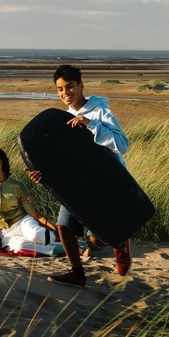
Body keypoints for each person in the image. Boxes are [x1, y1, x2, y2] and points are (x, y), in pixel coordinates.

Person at [38, 64, 131, 289]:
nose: (65, 93)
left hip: (106, 179)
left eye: (69, 87)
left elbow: (122, 145)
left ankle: (120, 241)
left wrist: (90, 124)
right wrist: (43, 175)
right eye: (60, 89)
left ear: (80, 86)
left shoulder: (100, 111)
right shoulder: (64, 118)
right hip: (79, 182)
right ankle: (77, 274)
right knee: (64, 227)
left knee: (97, 237)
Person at [0, 148, 59, 254]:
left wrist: (54, 229)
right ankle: (62, 248)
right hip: (5, 231)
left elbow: (34, 213)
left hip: (23, 222)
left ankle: (67, 241)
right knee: (20, 246)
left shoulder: (18, 185)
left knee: (36, 235)